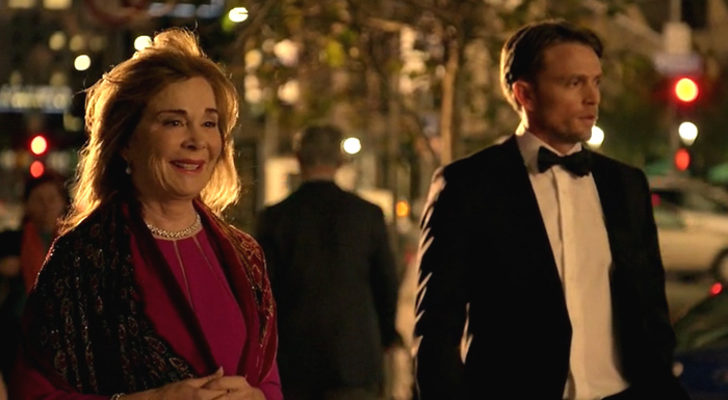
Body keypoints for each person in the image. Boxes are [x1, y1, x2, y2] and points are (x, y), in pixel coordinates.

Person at [414, 20, 689, 400]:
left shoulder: (626, 185)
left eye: (596, 81)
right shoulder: (467, 186)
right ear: (524, 93)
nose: (592, 97)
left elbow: (651, 311)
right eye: (574, 83)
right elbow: (436, 331)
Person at [10, 28, 281, 400]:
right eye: (174, 122)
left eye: (209, 123)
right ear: (126, 141)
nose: (197, 140)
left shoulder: (246, 256)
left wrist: (258, 398)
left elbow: (269, 381)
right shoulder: (82, 259)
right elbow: (33, 394)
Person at [255, 124, 400, 400]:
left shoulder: (275, 217)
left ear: (299, 159)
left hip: (294, 357)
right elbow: (386, 282)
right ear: (340, 161)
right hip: (354, 355)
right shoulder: (367, 214)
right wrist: (386, 335)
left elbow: (263, 290)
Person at [0, 170, 69, 396]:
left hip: (61, 333)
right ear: (27, 204)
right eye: (38, 199)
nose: (46, 206)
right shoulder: (10, 241)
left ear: (63, 202)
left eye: (52, 199)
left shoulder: (74, 242)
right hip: (16, 334)